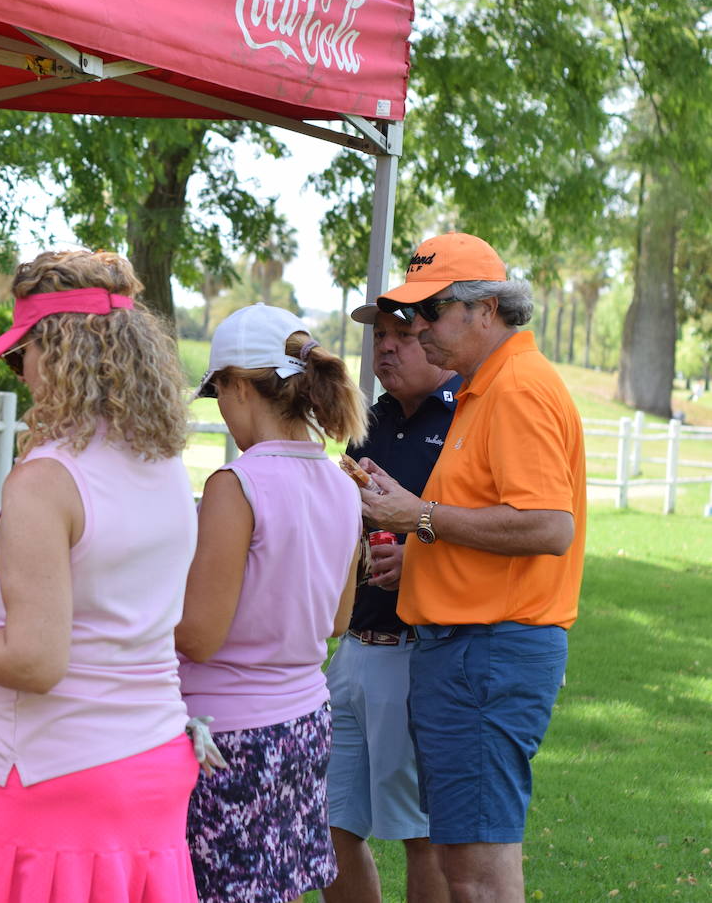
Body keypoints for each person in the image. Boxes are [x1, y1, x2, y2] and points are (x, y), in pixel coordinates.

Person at [0, 250, 202, 903]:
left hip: (49, 776)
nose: (19, 370)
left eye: (19, 352)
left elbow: (35, 661)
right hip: (152, 760)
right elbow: (101, 596)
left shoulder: (44, 481)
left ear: (54, 352)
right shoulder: (164, 462)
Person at [358, 233, 585, 902]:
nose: (416, 329)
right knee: (462, 867)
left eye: (430, 312)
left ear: (485, 310)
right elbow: (490, 518)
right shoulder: (486, 389)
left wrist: (417, 519)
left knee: (478, 878)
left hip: (486, 651)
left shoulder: (516, 390)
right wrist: (420, 548)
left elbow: (548, 526)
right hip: (468, 650)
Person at [177, 302, 367, 903]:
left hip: (227, 736)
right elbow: (337, 620)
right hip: (305, 722)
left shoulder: (236, 484)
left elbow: (199, 635)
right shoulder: (342, 482)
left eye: (219, 396)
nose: (224, 414)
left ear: (237, 385)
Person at [322, 306, 456, 903]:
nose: (388, 348)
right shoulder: (366, 423)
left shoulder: (465, 422)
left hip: (417, 654)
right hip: (348, 651)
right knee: (326, 823)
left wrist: (421, 562)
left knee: (418, 834)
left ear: (435, 337)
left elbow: (490, 529)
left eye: (404, 335)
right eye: (380, 337)